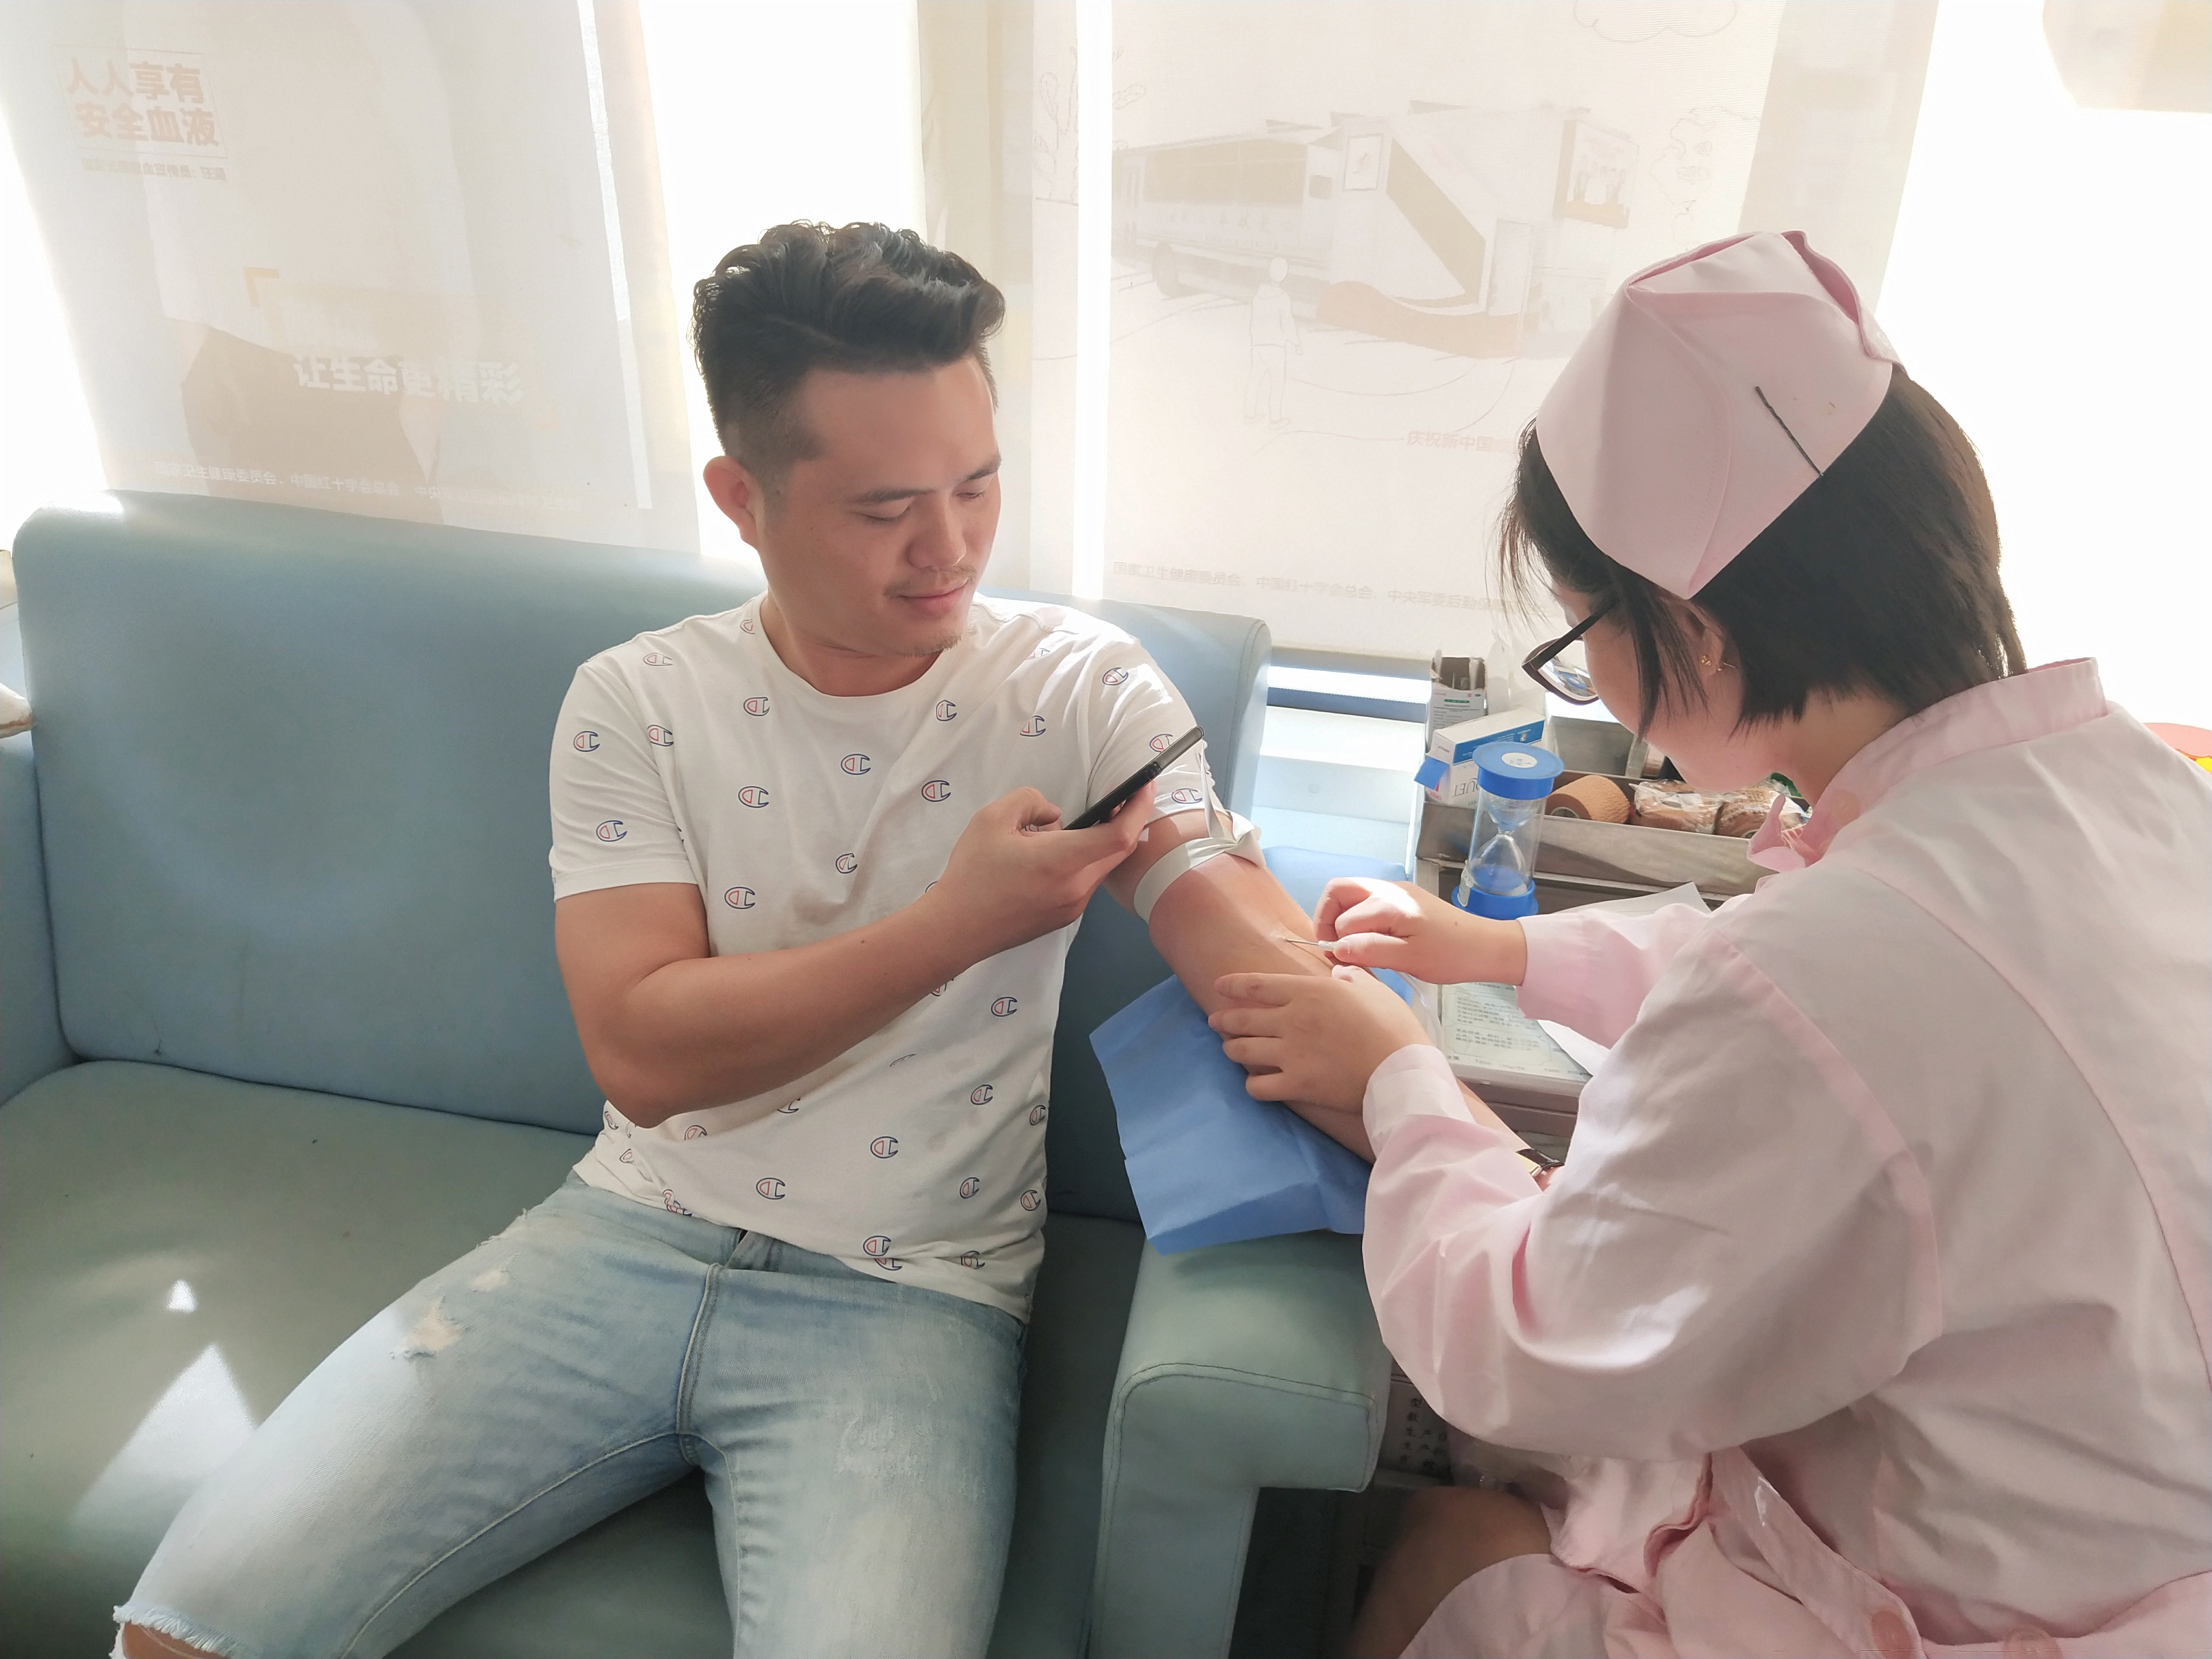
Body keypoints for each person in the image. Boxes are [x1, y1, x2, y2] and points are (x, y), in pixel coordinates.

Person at [114, 222, 1330, 1659]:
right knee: (182, 1634)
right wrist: (954, 926)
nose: (949, 547)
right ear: (741, 499)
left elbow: (1220, 913)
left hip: (912, 1298)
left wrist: (1381, 1017)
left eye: (978, 484)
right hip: (617, 1240)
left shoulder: (1081, 688)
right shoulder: (637, 703)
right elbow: (645, 1055)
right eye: (885, 508)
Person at [1206, 231, 2211, 1657]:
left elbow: (1525, 1349)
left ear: (1690, 627)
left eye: (1579, 637)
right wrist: (1501, 954)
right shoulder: (2127, 785)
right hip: (2110, 1521)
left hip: (1975, 1602)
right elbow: (1830, 978)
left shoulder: (1834, 974)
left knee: (1456, 1544)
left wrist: (1398, 1082)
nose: (1589, 678)